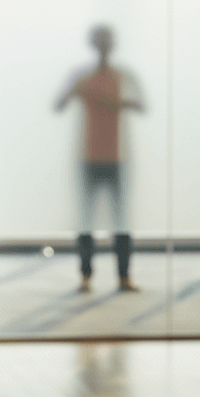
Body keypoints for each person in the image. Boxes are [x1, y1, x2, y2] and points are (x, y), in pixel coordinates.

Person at [54, 25, 145, 293]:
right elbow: (59, 104)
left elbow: (140, 104)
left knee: (122, 221)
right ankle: (85, 276)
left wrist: (113, 103)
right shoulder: (82, 76)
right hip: (89, 156)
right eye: (100, 40)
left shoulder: (122, 75)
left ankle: (124, 277)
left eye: (108, 40)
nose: (104, 44)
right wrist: (75, 89)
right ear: (93, 43)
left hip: (117, 157)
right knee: (86, 220)